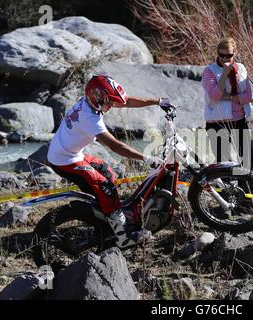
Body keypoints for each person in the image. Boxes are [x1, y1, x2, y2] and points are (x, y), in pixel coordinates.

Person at [47, 74, 168, 248]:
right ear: (97, 99)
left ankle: (108, 217)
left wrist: (157, 101)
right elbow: (116, 146)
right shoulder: (90, 119)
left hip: (69, 153)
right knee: (106, 188)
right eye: (109, 103)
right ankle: (123, 237)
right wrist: (146, 158)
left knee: (108, 173)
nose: (111, 107)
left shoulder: (89, 101)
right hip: (65, 160)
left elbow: (126, 101)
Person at [202, 37, 253, 170]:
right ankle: (225, 191)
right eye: (221, 55)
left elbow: (248, 96)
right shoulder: (209, 71)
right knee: (223, 165)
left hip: (239, 120)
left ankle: (247, 190)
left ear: (235, 52)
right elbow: (214, 96)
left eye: (228, 55)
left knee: (246, 163)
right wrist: (224, 73)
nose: (224, 59)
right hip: (218, 123)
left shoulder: (241, 68)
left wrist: (228, 97)